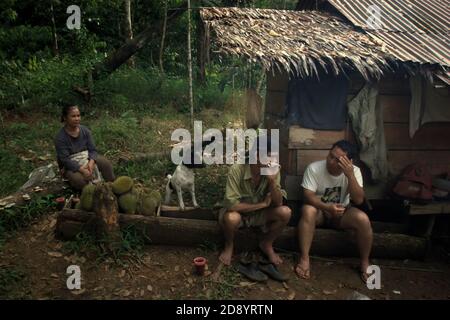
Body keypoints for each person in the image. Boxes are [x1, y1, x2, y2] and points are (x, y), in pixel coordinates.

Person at [296, 140, 373, 282]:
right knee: (308, 210)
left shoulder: (354, 171)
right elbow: (308, 196)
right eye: (330, 155)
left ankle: (365, 262)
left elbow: (358, 200)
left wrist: (350, 175)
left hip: (341, 214)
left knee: (363, 219)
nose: (330, 160)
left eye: (336, 160)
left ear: (348, 162)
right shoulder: (314, 168)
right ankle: (305, 258)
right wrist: (327, 208)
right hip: (319, 212)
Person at [218, 135, 292, 266]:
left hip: (259, 215)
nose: (274, 160)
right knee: (231, 218)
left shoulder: (272, 170)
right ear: (258, 156)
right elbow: (232, 206)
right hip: (240, 214)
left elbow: (278, 203)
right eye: (271, 156)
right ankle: (229, 245)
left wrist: (272, 181)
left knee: (285, 212)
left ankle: (267, 244)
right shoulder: (237, 169)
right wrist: (262, 204)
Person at [54, 104, 115, 191]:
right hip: (71, 165)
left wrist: (91, 163)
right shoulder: (60, 137)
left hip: (86, 157)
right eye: (73, 116)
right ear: (65, 118)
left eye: (78, 116)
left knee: (106, 164)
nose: (77, 119)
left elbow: (92, 150)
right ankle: (91, 193)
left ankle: (111, 187)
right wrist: (82, 170)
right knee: (80, 181)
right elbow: (65, 160)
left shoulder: (85, 131)